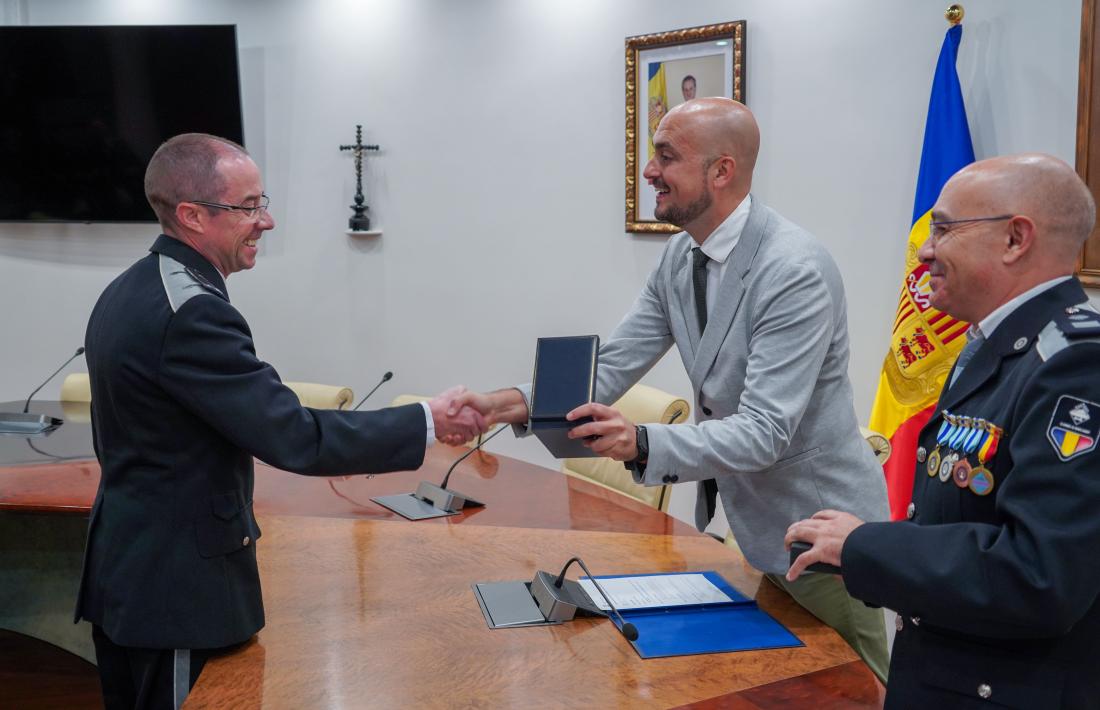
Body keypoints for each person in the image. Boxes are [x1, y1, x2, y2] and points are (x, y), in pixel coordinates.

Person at [453, 98, 891, 681]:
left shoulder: (793, 269)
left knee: (854, 689)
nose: (648, 171)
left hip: (823, 538)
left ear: (722, 171)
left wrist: (638, 441)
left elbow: (764, 432)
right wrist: (508, 404)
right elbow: (613, 362)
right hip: (752, 529)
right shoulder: (681, 256)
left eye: (665, 156)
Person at [74, 133, 485, 710]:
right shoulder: (192, 312)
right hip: (176, 592)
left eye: (262, 202)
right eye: (248, 207)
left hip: (135, 573)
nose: (265, 221)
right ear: (191, 216)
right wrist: (426, 420)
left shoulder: (132, 287)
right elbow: (295, 437)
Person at [786, 154, 1100, 707]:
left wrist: (869, 548)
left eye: (945, 228)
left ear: (1015, 239)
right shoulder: (990, 343)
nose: (925, 250)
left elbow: (1039, 575)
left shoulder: (1075, 366)